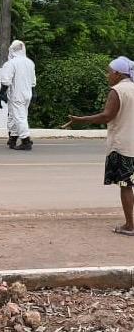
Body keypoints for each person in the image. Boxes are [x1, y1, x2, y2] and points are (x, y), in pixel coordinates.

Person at [64, 56, 134, 236]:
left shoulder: (117, 91)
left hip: (123, 145)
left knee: (126, 185)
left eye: (109, 72)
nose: (107, 75)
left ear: (118, 74)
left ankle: (130, 225)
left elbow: (106, 116)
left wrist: (80, 120)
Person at [0, 40, 37, 150]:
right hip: (27, 94)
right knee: (14, 116)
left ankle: (26, 141)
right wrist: (33, 93)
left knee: (19, 117)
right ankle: (13, 138)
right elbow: (33, 81)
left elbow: (6, 81)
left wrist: (1, 94)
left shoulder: (11, 63)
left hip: (16, 95)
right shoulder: (30, 62)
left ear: (12, 50)